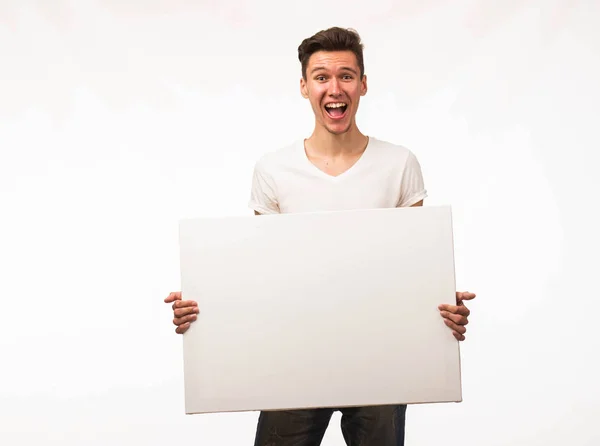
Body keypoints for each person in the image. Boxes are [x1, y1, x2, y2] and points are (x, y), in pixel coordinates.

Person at [164, 26, 476, 446]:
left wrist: (440, 306)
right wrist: (205, 310)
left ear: (363, 85)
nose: (335, 88)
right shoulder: (273, 170)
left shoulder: (400, 164)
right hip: (294, 360)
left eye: (347, 75)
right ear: (304, 86)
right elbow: (263, 276)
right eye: (322, 76)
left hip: (379, 360)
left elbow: (413, 268)